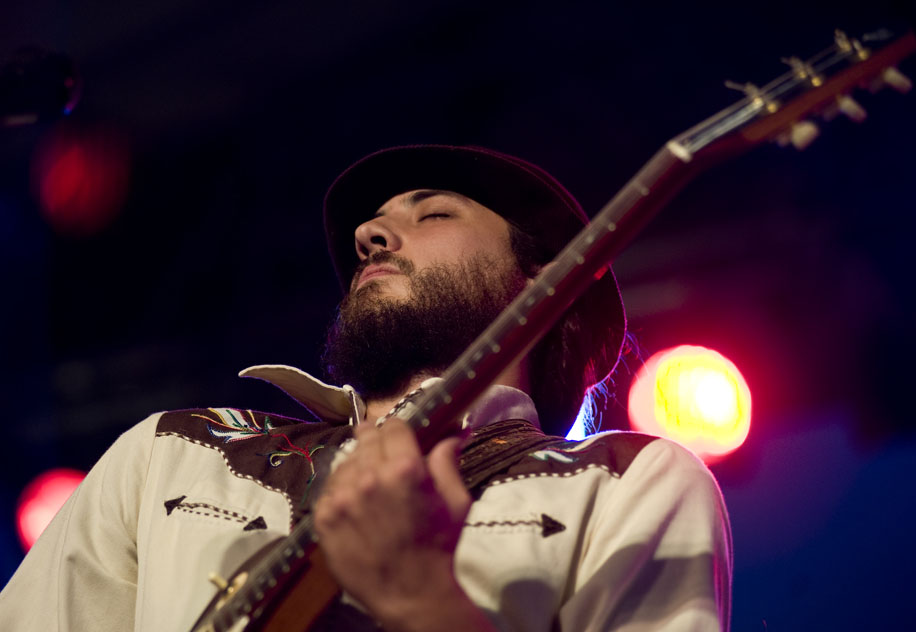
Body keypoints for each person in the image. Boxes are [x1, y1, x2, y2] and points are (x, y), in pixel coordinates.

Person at [0, 145, 732, 631]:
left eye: (432, 212)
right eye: (372, 227)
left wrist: (427, 599)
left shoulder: (628, 481)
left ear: (541, 282)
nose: (370, 235)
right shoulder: (172, 450)